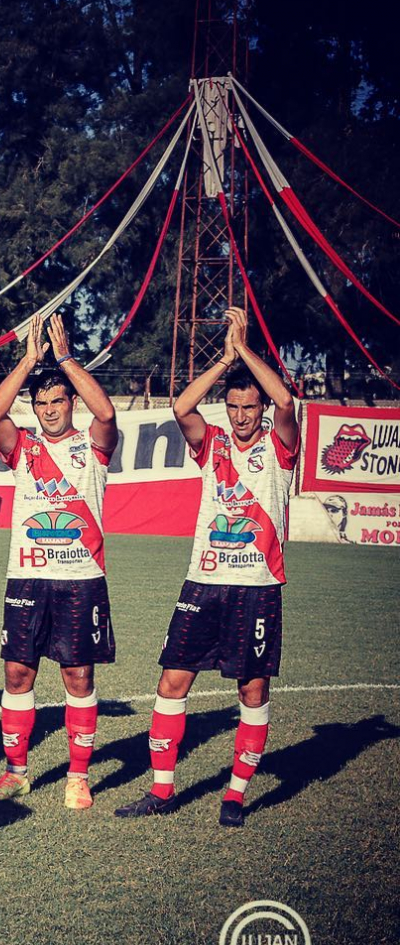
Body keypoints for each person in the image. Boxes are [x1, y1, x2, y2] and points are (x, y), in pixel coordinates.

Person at [115, 307, 299, 828]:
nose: (241, 416)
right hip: (203, 582)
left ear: (260, 409)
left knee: (252, 691)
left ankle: (236, 794)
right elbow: (180, 405)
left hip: (257, 588)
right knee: (173, 682)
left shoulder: (279, 445)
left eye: (249, 407)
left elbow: (285, 399)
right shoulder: (212, 443)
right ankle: (162, 790)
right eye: (234, 407)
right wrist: (223, 362)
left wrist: (245, 351)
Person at [0, 313, 118, 809]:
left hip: (80, 579)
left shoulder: (92, 444)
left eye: (57, 400)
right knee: (18, 674)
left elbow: (106, 416)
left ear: (71, 402)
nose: (49, 410)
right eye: (41, 403)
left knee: (78, 676)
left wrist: (64, 359)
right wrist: (29, 360)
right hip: (28, 577)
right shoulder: (24, 447)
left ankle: (77, 776)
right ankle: (16, 772)